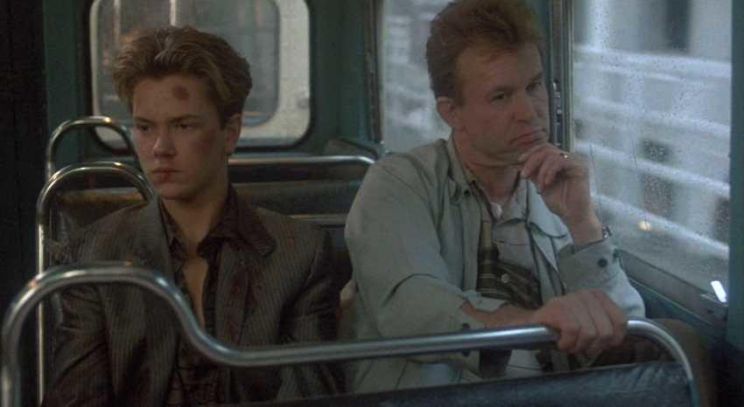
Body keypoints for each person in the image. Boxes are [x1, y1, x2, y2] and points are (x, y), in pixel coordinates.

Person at [344, 0, 646, 393]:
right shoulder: (397, 184)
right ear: (452, 112)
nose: (529, 112)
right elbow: (413, 307)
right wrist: (534, 322)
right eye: (501, 96)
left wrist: (583, 224)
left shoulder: (559, 193)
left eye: (534, 86)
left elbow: (626, 332)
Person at [43, 26, 342, 406]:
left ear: (230, 133)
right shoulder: (95, 254)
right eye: (145, 128)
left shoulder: (298, 254)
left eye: (183, 125)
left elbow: (309, 396)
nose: (160, 148)